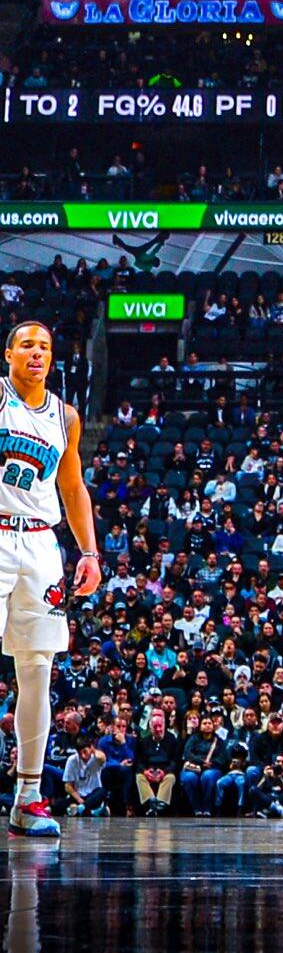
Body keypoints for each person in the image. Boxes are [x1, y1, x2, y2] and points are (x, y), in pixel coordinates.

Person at [0, 320, 100, 838]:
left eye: (45, 346)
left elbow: (73, 485)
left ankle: (29, 796)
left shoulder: (65, 416)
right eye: (27, 345)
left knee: (37, 669)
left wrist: (90, 552)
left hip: (41, 543)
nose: (37, 353)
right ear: (9, 353)